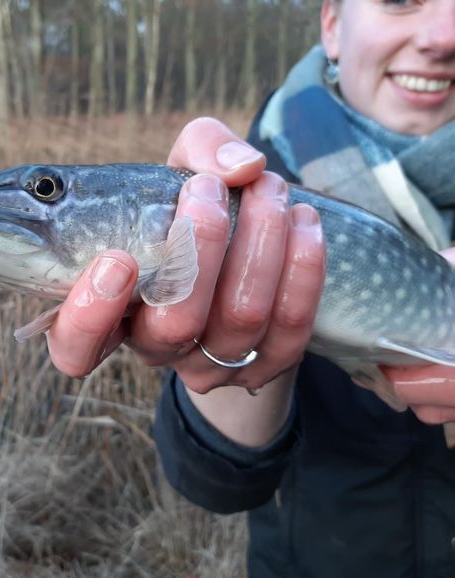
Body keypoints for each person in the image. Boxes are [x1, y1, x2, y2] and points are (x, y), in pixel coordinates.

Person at [45, 1, 455, 576]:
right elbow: (212, 485)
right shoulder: (248, 179)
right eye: (400, 0)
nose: (444, 36)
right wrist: (234, 362)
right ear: (332, 24)